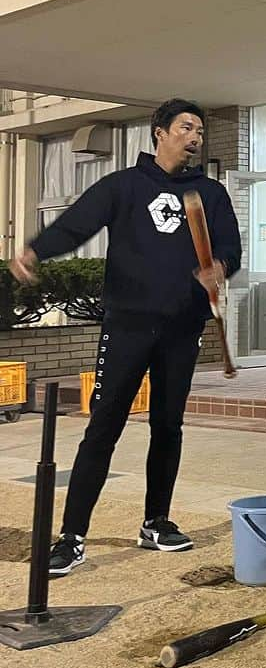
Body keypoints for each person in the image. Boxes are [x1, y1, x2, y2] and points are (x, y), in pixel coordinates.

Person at [7, 99, 241, 577]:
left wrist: (219, 269)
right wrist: (37, 250)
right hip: (128, 325)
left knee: (168, 426)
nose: (194, 137)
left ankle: (156, 521)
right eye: (185, 127)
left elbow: (230, 249)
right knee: (104, 426)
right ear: (160, 132)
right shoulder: (124, 185)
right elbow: (79, 222)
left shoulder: (211, 194)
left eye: (198, 130)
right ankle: (71, 537)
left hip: (183, 328)